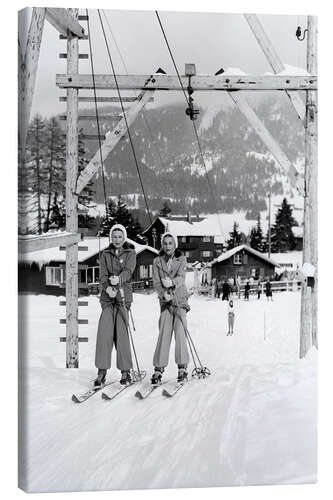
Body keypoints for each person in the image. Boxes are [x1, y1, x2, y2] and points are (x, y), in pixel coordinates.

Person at [94, 224, 136, 388]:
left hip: (123, 298)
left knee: (121, 334)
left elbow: (128, 271)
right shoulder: (105, 254)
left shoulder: (130, 253)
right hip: (108, 299)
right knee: (104, 334)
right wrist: (107, 288)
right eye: (114, 236)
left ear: (124, 237)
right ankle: (101, 371)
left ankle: (125, 371)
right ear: (111, 238)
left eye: (120, 236)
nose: (117, 239)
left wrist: (118, 280)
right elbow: (102, 276)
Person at [150, 232, 190, 385]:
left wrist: (172, 283)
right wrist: (163, 294)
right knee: (164, 333)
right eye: (165, 243)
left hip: (180, 300)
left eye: (170, 243)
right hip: (166, 302)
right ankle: (158, 369)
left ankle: (182, 367)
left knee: (180, 332)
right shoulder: (157, 261)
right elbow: (156, 282)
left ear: (175, 245)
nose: (167, 246)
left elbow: (181, 277)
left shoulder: (181, 259)